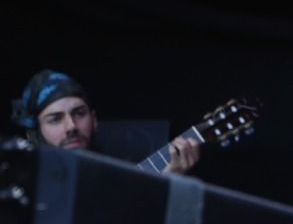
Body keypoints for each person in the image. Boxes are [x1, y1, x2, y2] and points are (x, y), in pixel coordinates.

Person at [10, 68, 201, 175]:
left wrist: (168, 182)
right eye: (55, 119)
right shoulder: (20, 185)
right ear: (33, 134)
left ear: (94, 120)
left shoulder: (112, 173)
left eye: (79, 113)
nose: (71, 126)